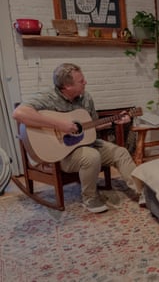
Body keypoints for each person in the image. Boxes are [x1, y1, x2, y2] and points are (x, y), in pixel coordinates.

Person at [13, 63, 145, 213]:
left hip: (89, 143)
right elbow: (19, 113)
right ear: (67, 86)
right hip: (63, 153)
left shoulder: (86, 97)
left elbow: (92, 125)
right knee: (91, 156)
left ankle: (142, 192)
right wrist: (60, 125)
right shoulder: (48, 97)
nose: (85, 82)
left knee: (120, 152)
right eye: (81, 81)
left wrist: (115, 121)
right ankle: (90, 198)